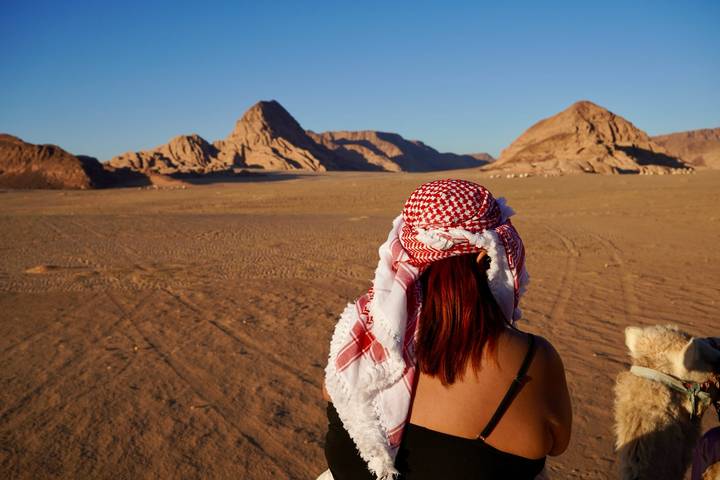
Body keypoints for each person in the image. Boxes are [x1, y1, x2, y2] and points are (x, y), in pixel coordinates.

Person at [321, 179, 572, 479]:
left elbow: (331, 396)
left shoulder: (358, 335)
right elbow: (557, 443)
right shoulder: (531, 360)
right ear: (486, 258)